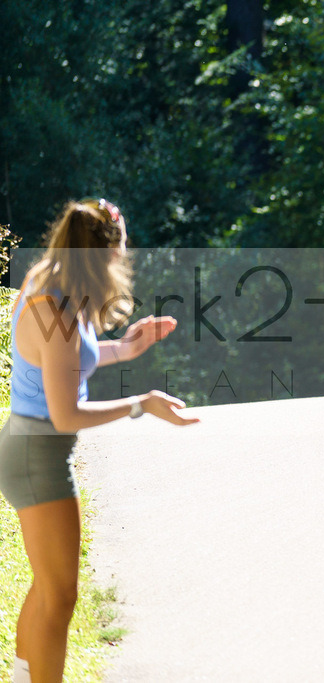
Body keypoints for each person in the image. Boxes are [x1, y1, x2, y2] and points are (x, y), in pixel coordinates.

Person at [0, 199, 200, 683]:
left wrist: (127, 348)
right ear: (106, 252)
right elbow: (66, 411)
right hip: (38, 457)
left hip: (30, 451)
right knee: (59, 596)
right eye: (122, 245)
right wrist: (140, 403)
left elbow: (65, 362)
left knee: (48, 589)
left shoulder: (50, 281)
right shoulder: (60, 309)